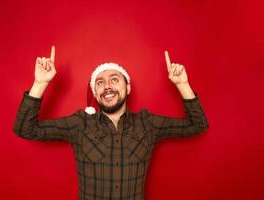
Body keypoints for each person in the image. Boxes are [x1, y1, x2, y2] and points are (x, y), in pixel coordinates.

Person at [13, 46, 209, 200]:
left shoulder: (148, 123)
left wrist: (182, 85)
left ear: (128, 87)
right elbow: (25, 129)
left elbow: (198, 125)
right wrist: (40, 83)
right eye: (100, 82)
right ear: (96, 93)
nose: (107, 86)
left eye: (114, 80)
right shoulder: (80, 123)